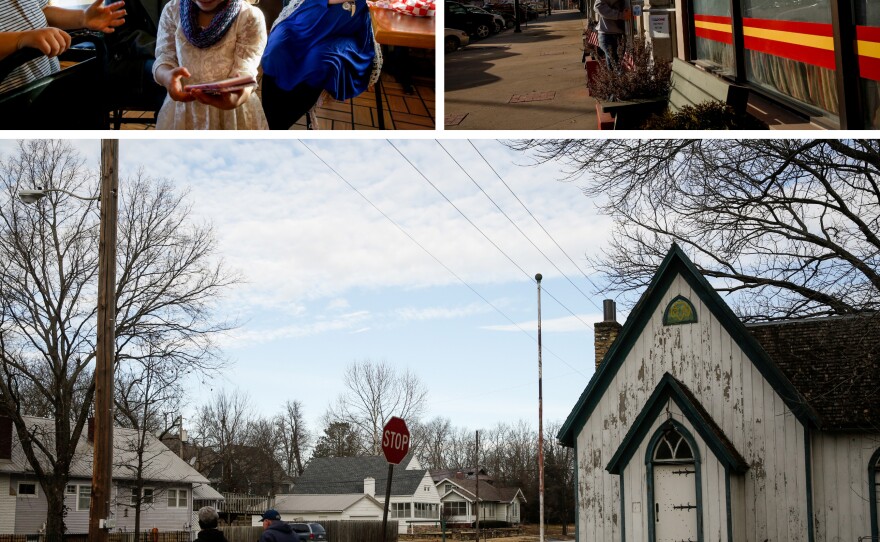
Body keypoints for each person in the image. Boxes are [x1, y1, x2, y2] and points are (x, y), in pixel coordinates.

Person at [259, 0, 379, 129]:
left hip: (344, 30)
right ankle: (270, 122)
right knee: (276, 51)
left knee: (319, 64)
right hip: (305, 18)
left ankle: (277, 126)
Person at [152, 0, 268, 129]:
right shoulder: (172, 10)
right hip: (182, 112)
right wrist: (166, 76)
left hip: (232, 115)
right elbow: (164, 57)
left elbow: (246, 68)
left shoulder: (249, 16)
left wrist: (241, 95)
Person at [0, 0, 126, 93]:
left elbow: (42, 9)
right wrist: (20, 38)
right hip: (10, 93)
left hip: (44, 82)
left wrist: (83, 17)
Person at [594, 0, 629, 70]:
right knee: (616, 65)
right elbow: (598, 6)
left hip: (620, 35)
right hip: (607, 36)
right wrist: (621, 15)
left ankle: (612, 79)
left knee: (614, 66)